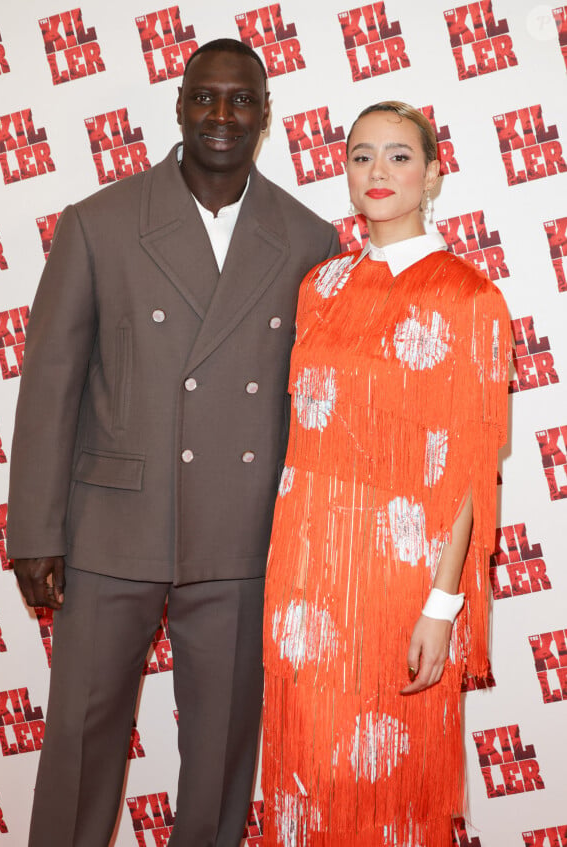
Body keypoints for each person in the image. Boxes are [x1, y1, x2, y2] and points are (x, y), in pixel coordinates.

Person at [6, 38, 339, 847]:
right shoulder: (99, 223)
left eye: (241, 100)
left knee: (222, 754)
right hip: (110, 527)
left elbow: (321, 406)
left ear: (266, 116)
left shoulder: (309, 241)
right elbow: (51, 384)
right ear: (180, 103)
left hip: (243, 532)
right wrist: (36, 529)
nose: (221, 116)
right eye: (206, 97)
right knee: (82, 742)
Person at [261, 101, 511, 846]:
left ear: (434, 173)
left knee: (393, 777)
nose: (378, 172)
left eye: (400, 156)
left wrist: (442, 603)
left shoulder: (471, 297)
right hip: (301, 569)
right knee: (303, 769)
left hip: (399, 573)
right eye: (362, 155)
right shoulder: (319, 287)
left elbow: (471, 468)